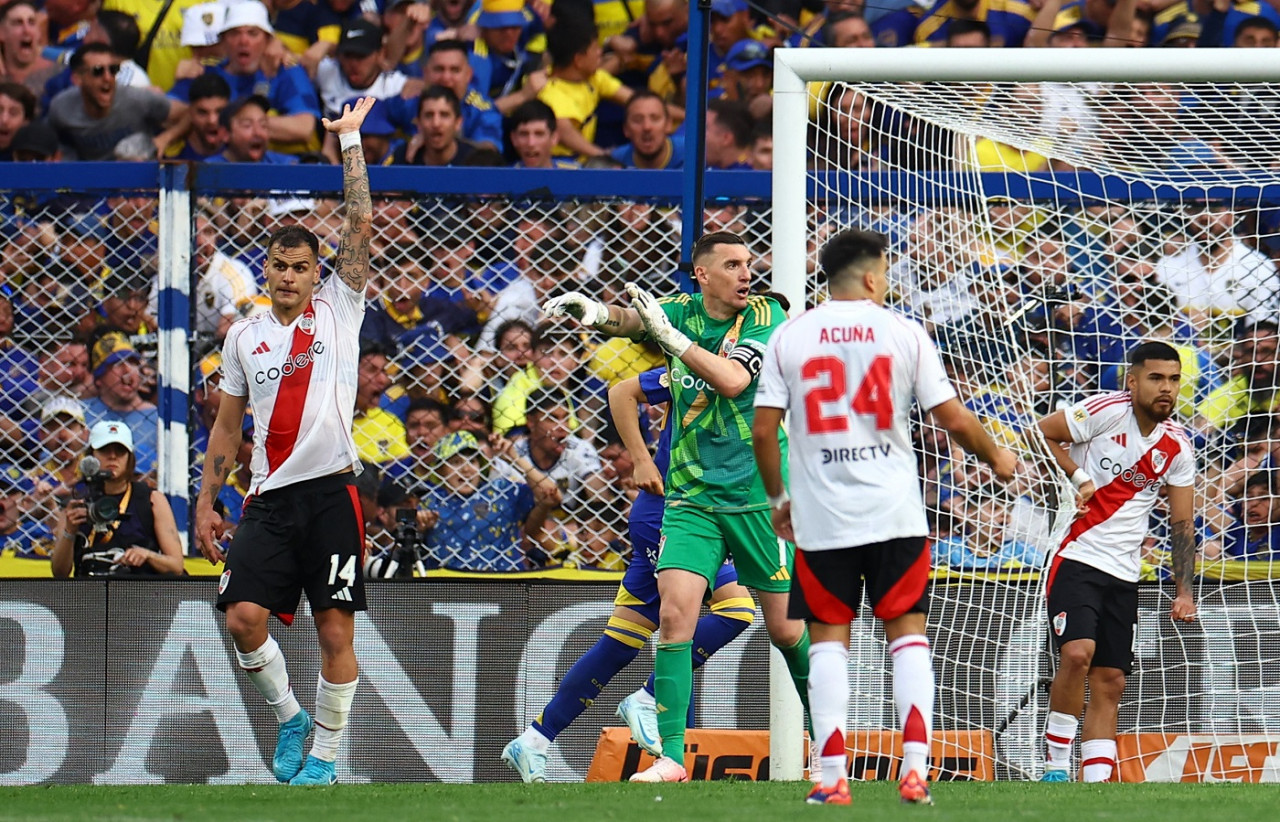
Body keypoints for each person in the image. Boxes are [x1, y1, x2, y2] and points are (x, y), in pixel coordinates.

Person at [751, 228, 1016, 806]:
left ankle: (831, 778)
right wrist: (997, 455)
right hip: (895, 514)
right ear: (873, 276)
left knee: (827, 643)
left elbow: (763, 429)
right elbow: (952, 418)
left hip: (822, 517)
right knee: (907, 638)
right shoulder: (903, 333)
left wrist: (778, 502)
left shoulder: (790, 337)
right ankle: (916, 769)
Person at [542, 230, 811, 783]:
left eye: (748, 263)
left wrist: (674, 339)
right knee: (674, 616)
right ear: (702, 275)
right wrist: (592, 312)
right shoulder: (680, 311)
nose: (746, 273)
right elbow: (632, 319)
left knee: (785, 631)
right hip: (691, 498)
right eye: (732, 265)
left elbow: (735, 380)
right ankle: (671, 756)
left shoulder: (766, 317)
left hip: (757, 497)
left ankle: (830, 742)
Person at [193, 97, 377, 787]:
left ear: (316, 270)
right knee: (241, 617)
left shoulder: (341, 306)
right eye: (280, 266)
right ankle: (292, 718)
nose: (290, 276)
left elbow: (360, 220)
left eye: (302, 266)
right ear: (267, 269)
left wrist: (350, 140)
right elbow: (226, 425)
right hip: (267, 497)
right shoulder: (243, 336)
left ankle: (324, 759)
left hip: (331, 492)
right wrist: (207, 501)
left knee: (335, 633)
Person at [502, 367, 755, 782]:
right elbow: (621, 391)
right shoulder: (700, 360)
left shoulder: (754, 369)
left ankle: (535, 740)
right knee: (734, 611)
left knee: (620, 644)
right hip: (677, 513)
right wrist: (642, 459)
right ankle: (649, 697)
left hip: (695, 511)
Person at [1034, 340, 1197, 783]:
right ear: (1133, 380)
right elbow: (1041, 431)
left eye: (1173, 380)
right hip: (1077, 556)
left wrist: (1185, 591)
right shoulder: (1105, 411)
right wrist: (1078, 476)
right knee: (1077, 654)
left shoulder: (1179, 447)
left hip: (1125, 572)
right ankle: (1053, 770)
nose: (1166, 388)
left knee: (1111, 682)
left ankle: (1096, 785)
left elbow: (1183, 524)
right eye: (1156, 378)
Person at [49, 420, 186, 578]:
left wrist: (147, 555)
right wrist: (70, 532)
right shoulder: (76, 502)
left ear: (129, 457)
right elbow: (59, 572)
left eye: (120, 451)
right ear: (91, 456)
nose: (113, 456)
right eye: (105, 450)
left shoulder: (151, 499)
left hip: (139, 591)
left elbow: (176, 565)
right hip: (90, 593)